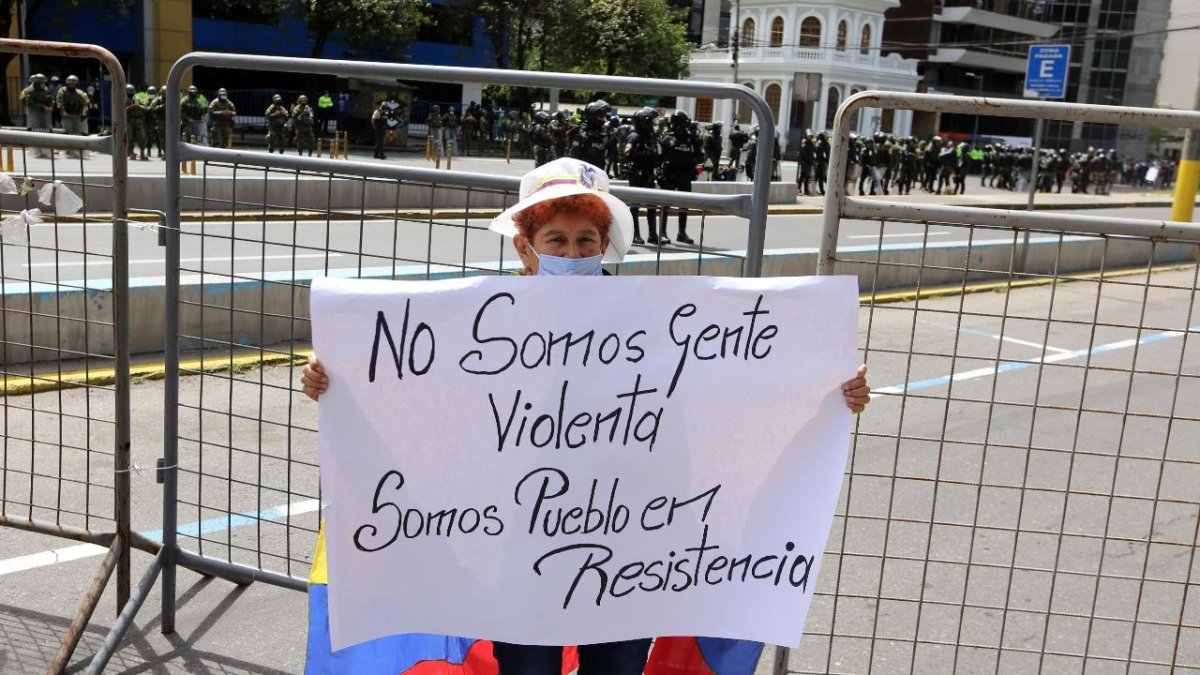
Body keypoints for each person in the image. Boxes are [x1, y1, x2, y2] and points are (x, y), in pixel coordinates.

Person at [299, 157, 872, 675]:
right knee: (527, 668)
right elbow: (415, 398)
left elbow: (732, 389)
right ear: (526, 247)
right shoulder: (479, 325)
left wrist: (825, 393)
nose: (572, 254)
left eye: (586, 240)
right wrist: (337, 380)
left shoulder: (651, 322)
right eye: (556, 240)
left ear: (605, 246)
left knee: (617, 666)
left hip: (625, 551)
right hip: (515, 550)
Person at [657, 110, 702, 246]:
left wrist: (696, 167)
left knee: (684, 205)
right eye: (683, 124)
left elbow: (700, 156)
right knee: (665, 205)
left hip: (685, 175)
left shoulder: (691, 138)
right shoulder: (666, 137)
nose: (685, 127)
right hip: (670, 175)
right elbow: (659, 157)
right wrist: (659, 172)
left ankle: (682, 233)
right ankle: (662, 233)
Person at [623, 107, 660, 245]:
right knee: (635, 206)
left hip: (649, 174)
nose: (652, 124)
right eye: (650, 121)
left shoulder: (650, 136)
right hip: (637, 174)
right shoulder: (634, 136)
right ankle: (635, 235)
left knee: (652, 205)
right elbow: (626, 154)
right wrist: (644, 155)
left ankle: (652, 234)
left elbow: (656, 154)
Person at [20, 73, 54, 158]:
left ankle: (46, 151)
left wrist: (50, 107)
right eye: (40, 82)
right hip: (34, 115)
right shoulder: (29, 91)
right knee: (34, 132)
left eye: (43, 82)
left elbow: (50, 99)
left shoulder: (46, 90)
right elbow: (29, 103)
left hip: (45, 116)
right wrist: (43, 107)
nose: (43, 84)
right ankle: (36, 152)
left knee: (46, 132)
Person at [57, 75, 89, 157]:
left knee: (79, 132)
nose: (71, 85)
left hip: (77, 115)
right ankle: (68, 149)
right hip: (67, 115)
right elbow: (60, 102)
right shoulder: (62, 91)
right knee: (67, 131)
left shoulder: (80, 93)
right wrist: (63, 111)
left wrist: (84, 113)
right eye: (70, 84)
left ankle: (79, 149)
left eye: (73, 84)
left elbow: (86, 103)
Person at [125, 84, 149, 160]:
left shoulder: (137, 99)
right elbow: (121, 110)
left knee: (142, 136)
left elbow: (146, 108)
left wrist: (139, 106)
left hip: (139, 121)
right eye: (129, 93)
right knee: (130, 137)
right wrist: (131, 107)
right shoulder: (124, 100)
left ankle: (142, 153)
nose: (131, 95)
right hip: (129, 121)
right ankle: (131, 152)